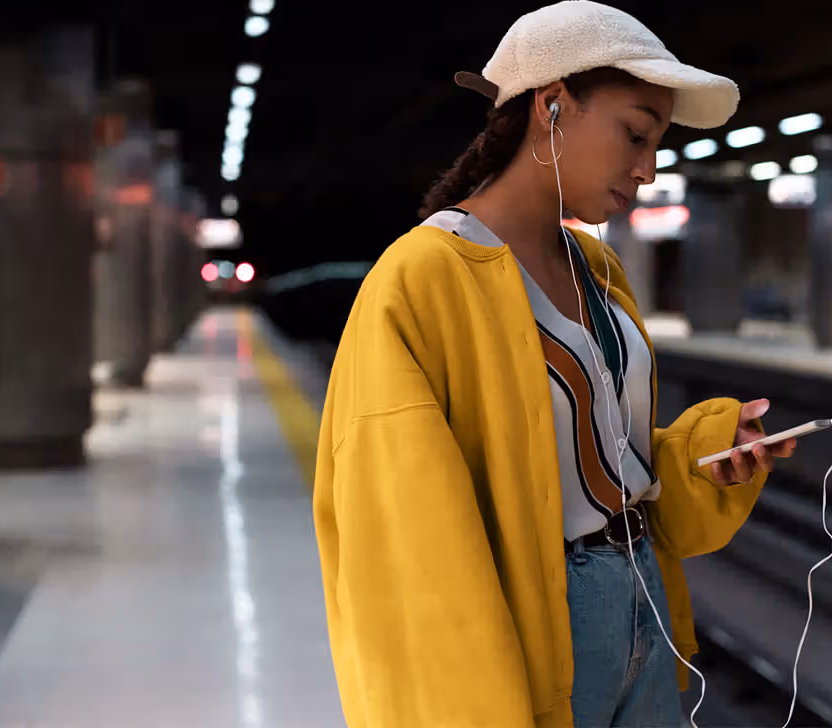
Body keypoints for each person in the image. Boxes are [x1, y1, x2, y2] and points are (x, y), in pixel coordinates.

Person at [313, 2, 797, 726]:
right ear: (552, 107)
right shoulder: (422, 277)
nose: (650, 168)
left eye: (658, 142)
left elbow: (597, 462)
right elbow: (405, 533)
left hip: (641, 602)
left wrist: (704, 455)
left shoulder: (597, 269)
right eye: (635, 134)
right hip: (532, 622)